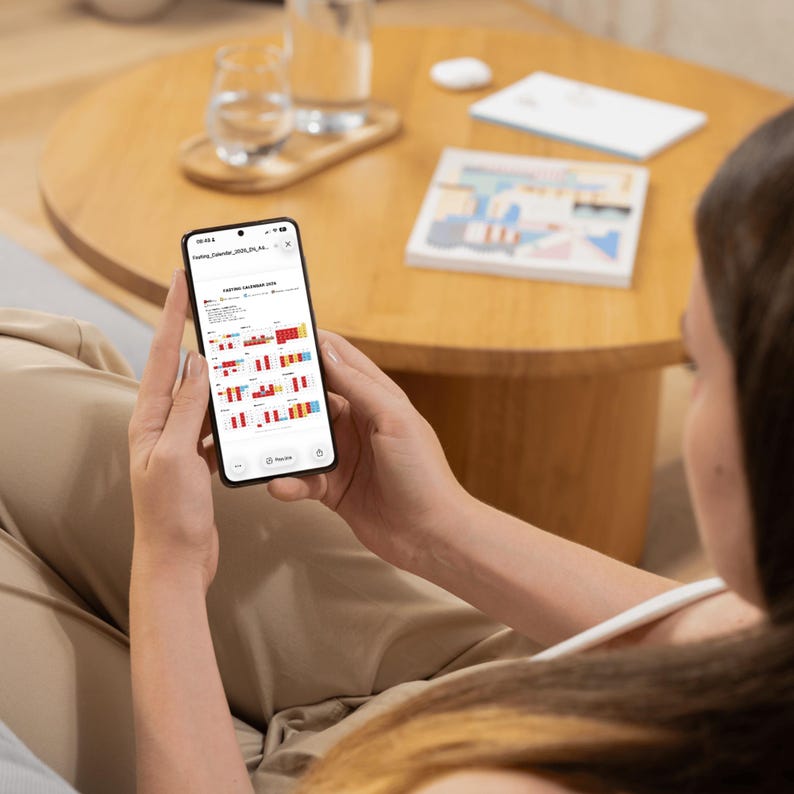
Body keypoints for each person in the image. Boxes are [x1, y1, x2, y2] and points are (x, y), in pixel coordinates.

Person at [0, 105, 792, 793]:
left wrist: (169, 569)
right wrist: (438, 528)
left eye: (697, 369)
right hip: (483, 675)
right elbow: (724, 641)